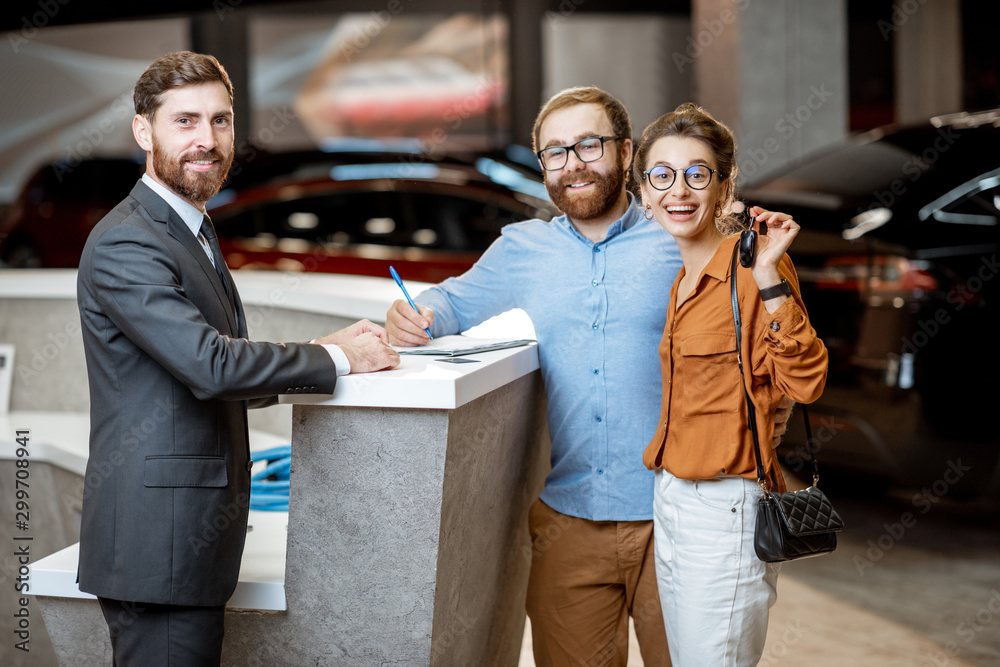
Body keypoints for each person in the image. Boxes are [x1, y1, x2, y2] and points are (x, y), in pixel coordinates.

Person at [388, 86, 791, 666]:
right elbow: (448, 304)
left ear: (627, 153)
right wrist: (412, 314)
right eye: (555, 151)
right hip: (569, 526)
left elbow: (767, 350)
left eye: (589, 144)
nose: (572, 162)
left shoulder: (684, 236)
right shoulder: (521, 249)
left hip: (681, 518)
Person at [76, 51, 399, 666]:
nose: (207, 140)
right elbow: (212, 366)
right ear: (143, 130)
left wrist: (330, 346)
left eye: (220, 122)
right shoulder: (127, 239)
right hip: (158, 548)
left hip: (185, 547)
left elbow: (222, 377)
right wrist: (337, 358)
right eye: (186, 121)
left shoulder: (190, 227)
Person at [634, 103, 829, 666]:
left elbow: (807, 381)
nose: (679, 190)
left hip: (726, 506)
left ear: (724, 186)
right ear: (644, 191)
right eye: (662, 175)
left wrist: (770, 276)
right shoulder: (683, 276)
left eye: (698, 174)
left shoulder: (752, 268)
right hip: (670, 498)